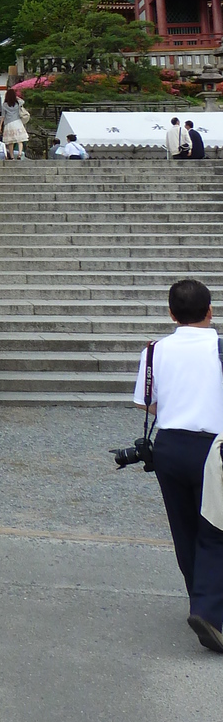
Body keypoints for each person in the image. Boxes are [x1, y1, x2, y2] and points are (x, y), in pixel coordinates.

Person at [134, 278, 223, 653]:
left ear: (171, 314)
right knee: (216, 529)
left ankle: (198, 599)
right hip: (214, 448)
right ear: (210, 311)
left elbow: (147, 403)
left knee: (184, 526)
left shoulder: (155, 351)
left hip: (169, 444)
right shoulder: (219, 347)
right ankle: (208, 610)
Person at [0, 86, 28, 161]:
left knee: (10, 141)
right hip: (17, 122)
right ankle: (19, 153)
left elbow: (3, 116)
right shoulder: (17, 103)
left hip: (8, 124)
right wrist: (16, 97)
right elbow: (23, 101)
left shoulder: (5, 105)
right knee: (20, 140)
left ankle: (11, 157)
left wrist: (0, 126)